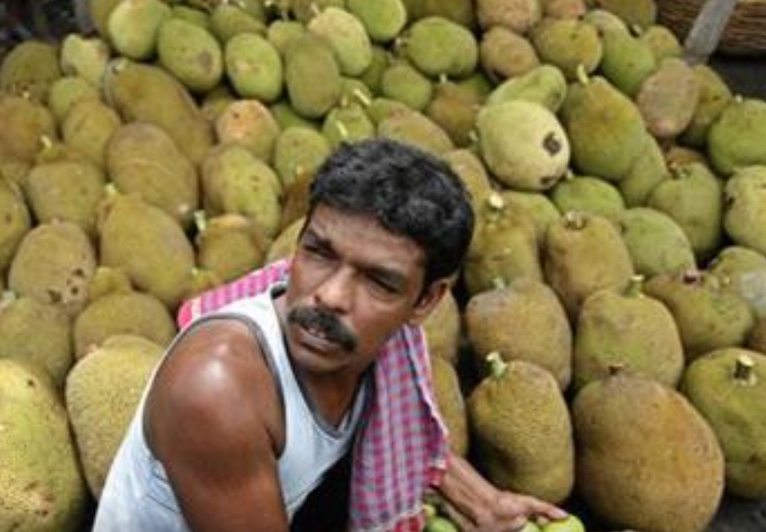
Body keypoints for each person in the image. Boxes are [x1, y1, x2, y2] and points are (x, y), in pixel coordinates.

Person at [93, 138, 568, 532]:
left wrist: (482, 502)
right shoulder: (216, 387)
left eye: (378, 281)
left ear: (424, 302)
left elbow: (407, 427)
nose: (331, 296)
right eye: (320, 253)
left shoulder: (380, 350)